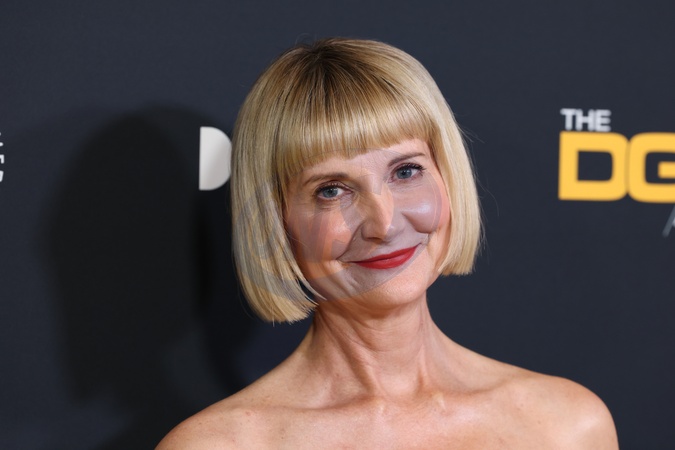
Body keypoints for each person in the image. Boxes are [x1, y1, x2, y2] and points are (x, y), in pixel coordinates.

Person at [158, 38, 618, 449]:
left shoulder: (566, 425)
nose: (384, 223)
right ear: (277, 221)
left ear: (447, 177)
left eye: (406, 171)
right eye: (331, 190)